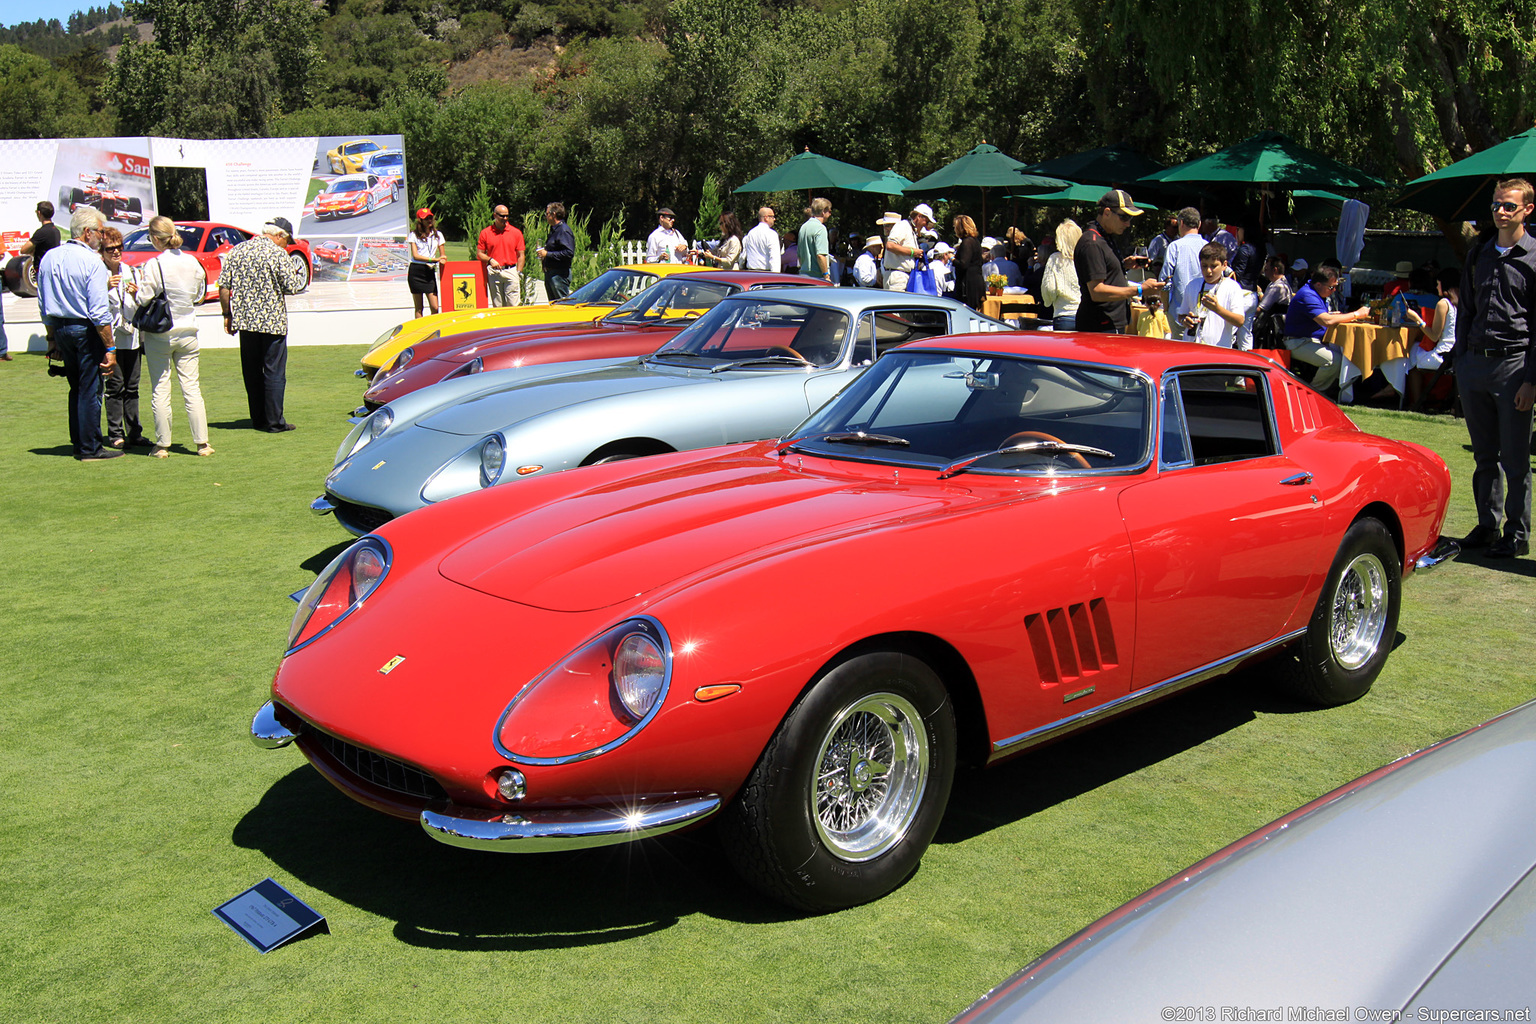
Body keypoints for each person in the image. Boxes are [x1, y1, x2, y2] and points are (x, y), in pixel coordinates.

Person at [1452, 178, 1536, 557]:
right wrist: (1461, 361)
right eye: (1496, 205)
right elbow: (1465, 309)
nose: (1501, 212)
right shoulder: (1479, 253)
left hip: (1514, 365)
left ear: (1527, 210)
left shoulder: (1533, 257)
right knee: (1484, 454)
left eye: (1509, 207)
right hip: (1475, 364)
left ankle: (1516, 533)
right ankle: (1487, 525)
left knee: (1515, 458)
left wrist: (1531, 380)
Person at [39, 206, 119, 459]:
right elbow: (98, 311)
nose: (103, 236)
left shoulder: (50, 257)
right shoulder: (91, 262)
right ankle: (90, 447)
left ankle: (80, 442)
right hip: (84, 329)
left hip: (61, 327)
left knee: (77, 387)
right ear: (87, 232)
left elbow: (43, 303)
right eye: (101, 231)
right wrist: (110, 347)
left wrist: (52, 339)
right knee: (90, 388)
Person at [132, 216, 211, 457]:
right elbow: (199, 295)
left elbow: (143, 298)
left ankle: (163, 444)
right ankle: (202, 443)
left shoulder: (154, 264)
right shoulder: (192, 261)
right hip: (188, 330)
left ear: (156, 239)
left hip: (162, 333)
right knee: (192, 388)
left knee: (160, 388)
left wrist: (135, 292)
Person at [219, 215, 302, 432]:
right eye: (287, 240)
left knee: (252, 371)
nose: (287, 244)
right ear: (279, 236)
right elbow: (291, 286)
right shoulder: (278, 254)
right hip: (272, 322)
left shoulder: (238, 251)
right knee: (274, 372)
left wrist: (227, 315)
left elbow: (224, 286)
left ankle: (257, 418)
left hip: (246, 322)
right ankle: (274, 421)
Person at [1074, 189, 1164, 334]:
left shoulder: (1105, 237)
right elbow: (1097, 291)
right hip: (1100, 325)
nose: (1128, 223)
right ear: (1107, 212)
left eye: (1130, 218)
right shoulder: (1092, 242)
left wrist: (1122, 265)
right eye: (1124, 217)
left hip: (1110, 322)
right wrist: (1140, 290)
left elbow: (1103, 271)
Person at [1281, 264, 1370, 398]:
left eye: (1335, 287)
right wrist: (1357, 314)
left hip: (1311, 340)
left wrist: (1333, 315)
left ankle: (1335, 389)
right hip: (1298, 342)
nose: (1334, 290)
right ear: (1318, 284)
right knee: (1335, 361)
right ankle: (1313, 393)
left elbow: (1324, 317)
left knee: (1346, 353)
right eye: (1331, 287)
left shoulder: (1315, 292)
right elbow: (1326, 321)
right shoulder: (1307, 295)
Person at [1380, 267, 1459, 407]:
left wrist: (1418, 319)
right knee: (1415, 351)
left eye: (1438, 283)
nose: (1436, 286)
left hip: (1443, 355)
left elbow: (1434, 336)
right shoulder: (1460, 303)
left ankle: (1413, 401)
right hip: (1456, 353)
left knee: (1409, 356)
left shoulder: (1443, 303)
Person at [99, 227, 147, 448]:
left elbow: (142, 303)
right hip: (112, 339)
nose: (116, 252)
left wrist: (137, 293)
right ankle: (115, 433)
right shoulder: (98, 273)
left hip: (133, 336)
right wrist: (103, 286)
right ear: (102, 251)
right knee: (115, 386)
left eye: (119, 247)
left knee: (132, 386)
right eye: (110, 249)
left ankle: (134, 432)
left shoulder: (132, 271)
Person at [1181, 242, 1248, 349]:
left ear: (1224, 265)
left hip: (1219, 348)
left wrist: (1218, 309)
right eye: (1204, 266)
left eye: (1213, 266)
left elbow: (1240, 321)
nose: (1208, 271)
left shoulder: (1232, 287)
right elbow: (1182, 314)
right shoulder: (1193, 285)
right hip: (1192, 346)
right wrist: (1185, 320)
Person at [1159, 207, 1205, 327]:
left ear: (1181, 223)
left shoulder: (1175, 247)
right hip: (1204, 314)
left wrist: (1166, 308)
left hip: (1179, 314)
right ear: (1199, 224)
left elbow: (1165, 282)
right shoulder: (1209, 247)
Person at [476, 205, 525, 307]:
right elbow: (480, 253)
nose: (505, 219)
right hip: (494, 272)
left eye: (507, 216)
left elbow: (521, 254)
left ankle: (513, 323)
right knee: (498, 305)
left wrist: (519, 272)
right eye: (502, 216)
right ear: (495, 215)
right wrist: (490, 260)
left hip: (511, 270)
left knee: (513, 305)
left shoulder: (516, 232)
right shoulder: (486, 233)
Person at [1040, 218, 1082, 331]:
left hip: (1064, 315)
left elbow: (1050, 289)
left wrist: (1048, 301)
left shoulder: (1055, 259)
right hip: (1085, 316)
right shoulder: (1087, 257)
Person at [882, 203, 933, 291]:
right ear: (919, 216)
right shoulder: (903, 226)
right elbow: (890, 245)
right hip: (898, 277)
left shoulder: (910, 229)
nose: (926, 225)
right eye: (926, 221)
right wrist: (913, 252)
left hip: (902, 276)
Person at [406, 208, 447, 317]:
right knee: (419, 308)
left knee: (435, 307)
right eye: (426, 218)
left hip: (429, 271)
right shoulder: (413, 235)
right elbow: (416, 255)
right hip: (416, 270)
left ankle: (433, 329)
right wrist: (434, 259)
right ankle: (420, 330)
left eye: (430, 218)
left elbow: (442, 255)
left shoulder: (438, 235)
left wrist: (442, 259)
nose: (429, 220)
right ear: (420, 220)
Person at [535, 202, 574, 299]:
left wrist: (547, 254)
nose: (546, 216)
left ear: (554, 214)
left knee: (562, 305)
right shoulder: (554, 230)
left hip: (559, 274)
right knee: (553, 305)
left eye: (547, 214)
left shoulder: (563, 231)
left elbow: (568, 253)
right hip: (551, 273)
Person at [952, 214, 984, 309]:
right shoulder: (975, 241)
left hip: (968, 286)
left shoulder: (967, 242)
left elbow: (963, 264)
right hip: (975, 282)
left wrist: (952, 259)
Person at [797, 198, 832, 282]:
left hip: (803, 275)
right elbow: (820, 255)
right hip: (817, 277)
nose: (830, 214)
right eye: (830, 211)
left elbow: (799, 255)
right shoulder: (820, 228)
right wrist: (826, 275)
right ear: (823, 211)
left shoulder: (803, 227)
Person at [742, 207, 780, 272]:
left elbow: (743, 254)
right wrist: (776, 276)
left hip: (750, 272)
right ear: (766, 218)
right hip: (765, 274)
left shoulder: (750, 233)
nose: (774, 219)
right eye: (772, 216)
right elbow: (774, 258)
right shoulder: (772, 234)